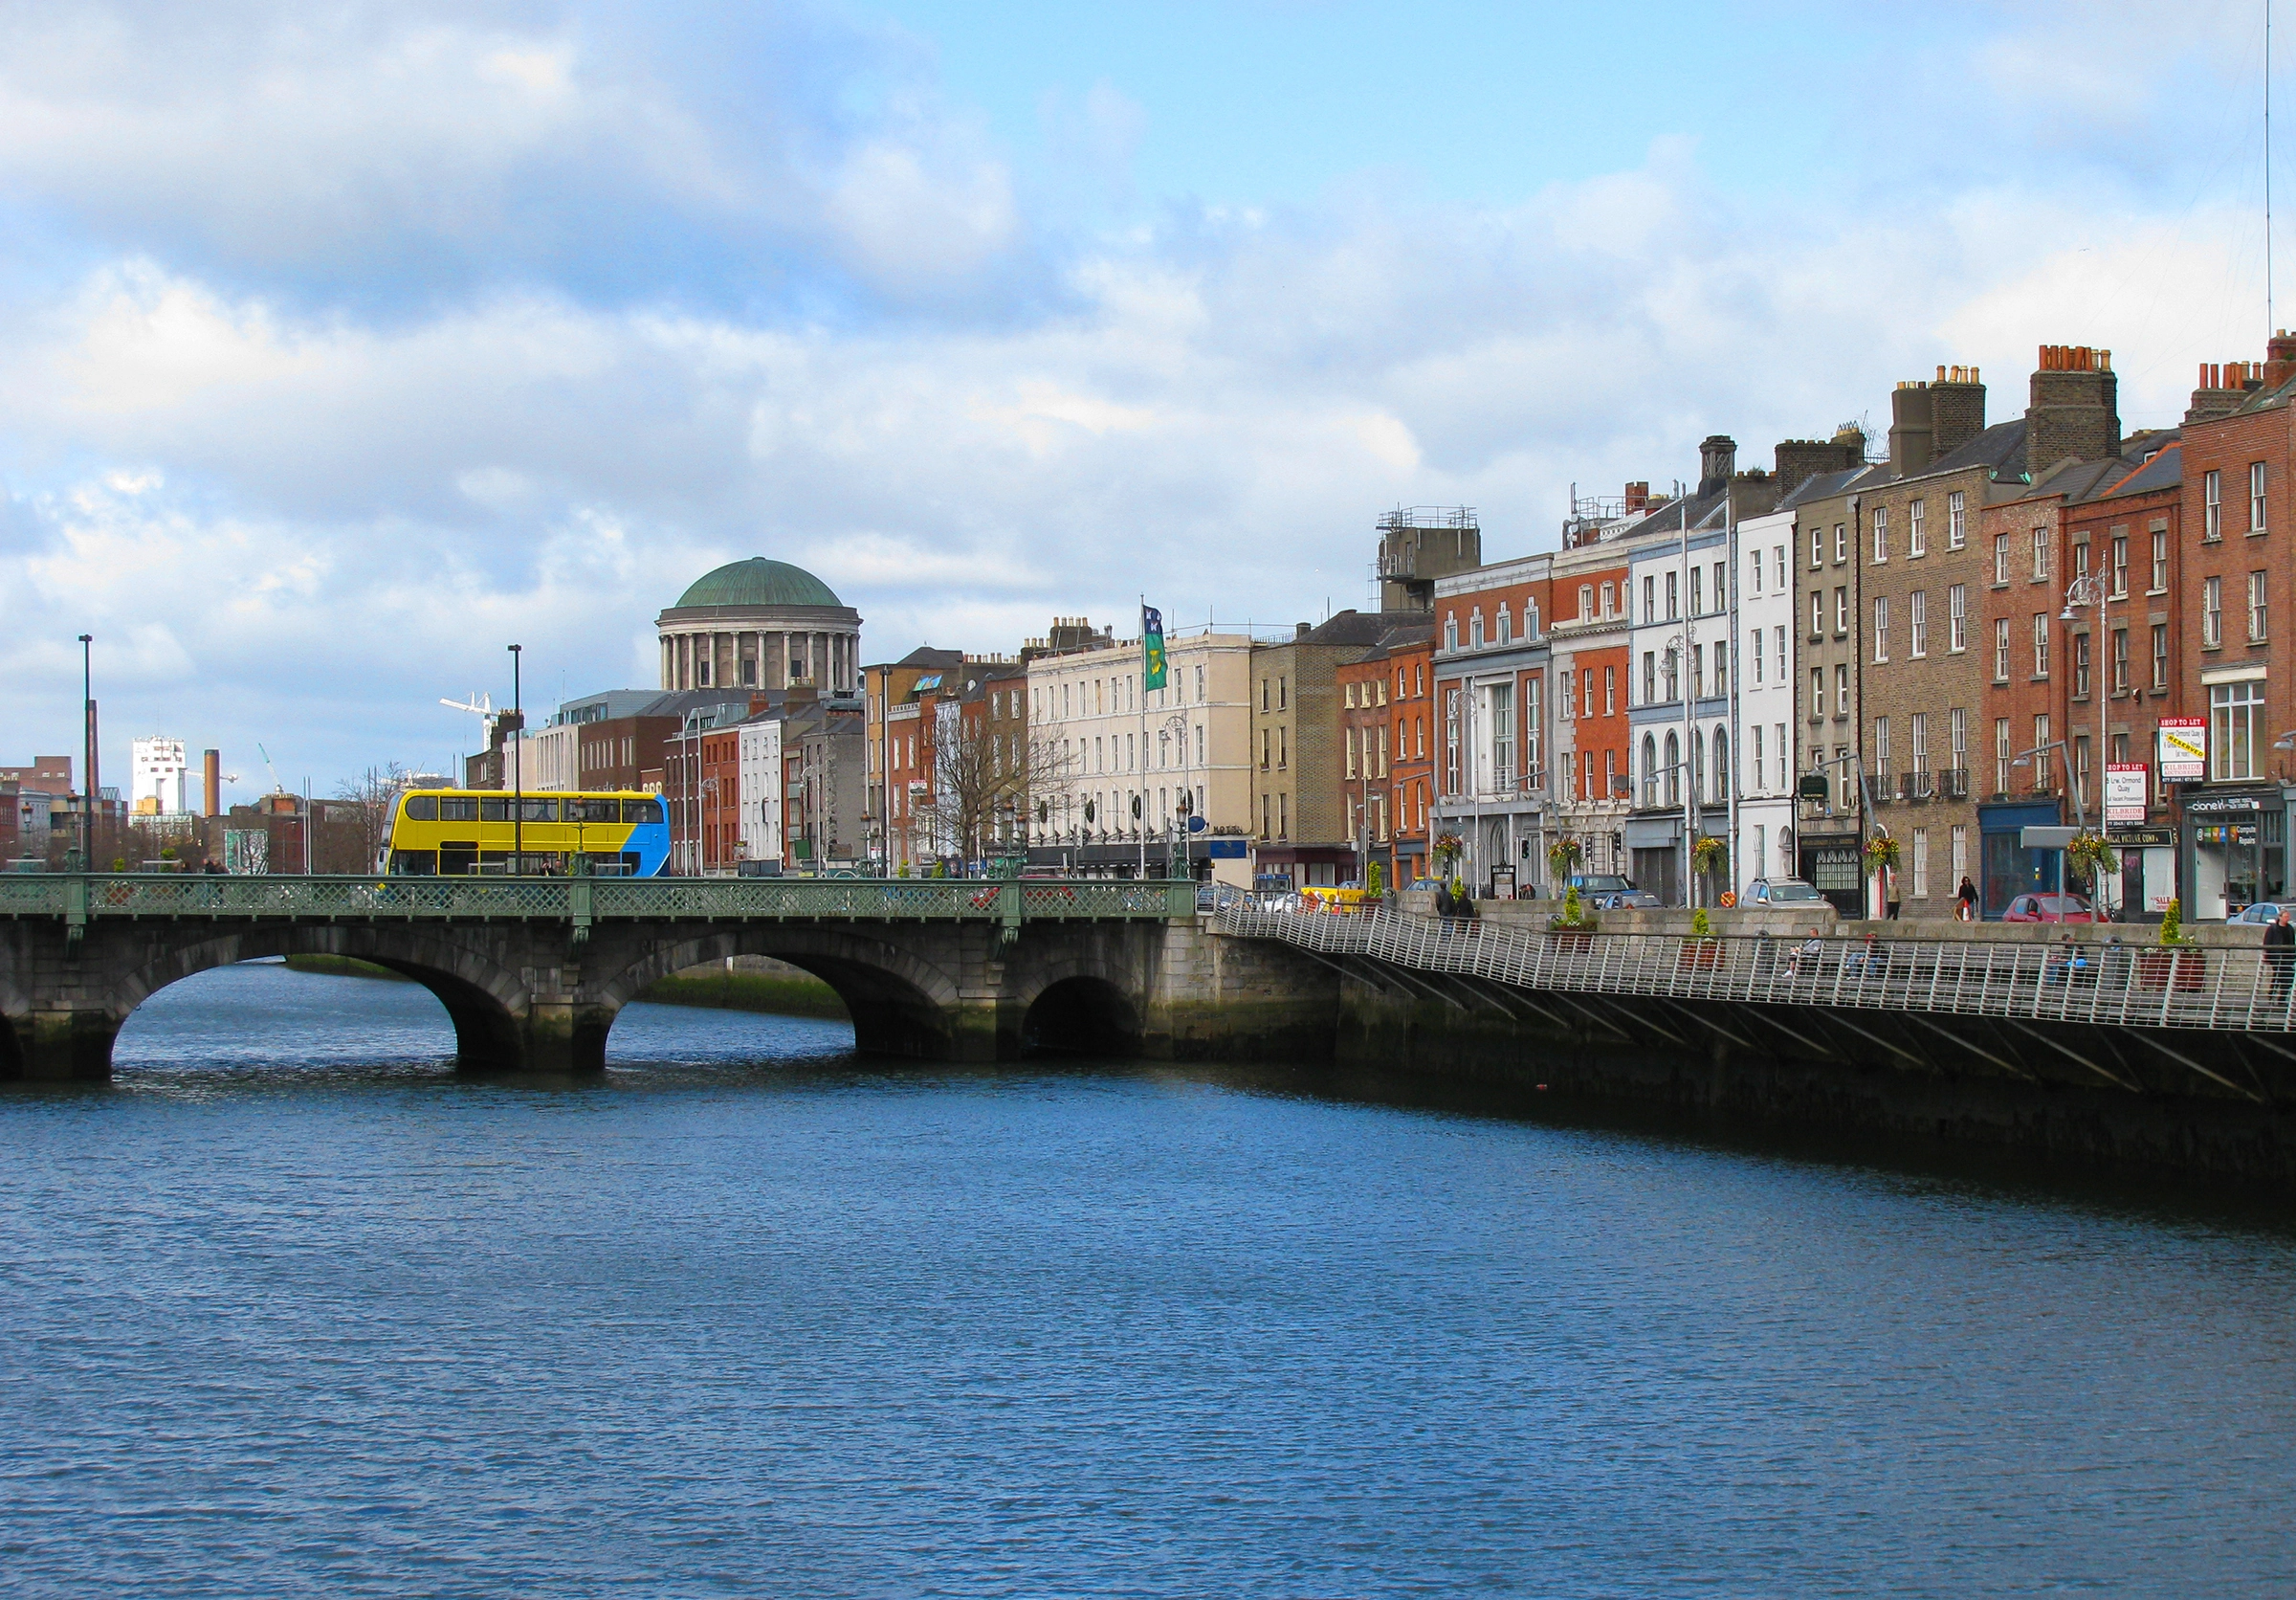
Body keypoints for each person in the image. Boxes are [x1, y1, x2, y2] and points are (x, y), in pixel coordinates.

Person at [2266, 908, 2295, 1010]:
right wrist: (2269, 956)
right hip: (2277, 956)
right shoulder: (2273, 929)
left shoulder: (2290, 928)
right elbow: (2267, 942)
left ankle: (2281, 997)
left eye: (2288, 917)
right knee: (2279, 975)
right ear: (2280, 917)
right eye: (2285, 916)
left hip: (2288, 957)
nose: (2287, 918)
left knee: (2288, 976)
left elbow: (2292, 942)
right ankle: (2272, 996)